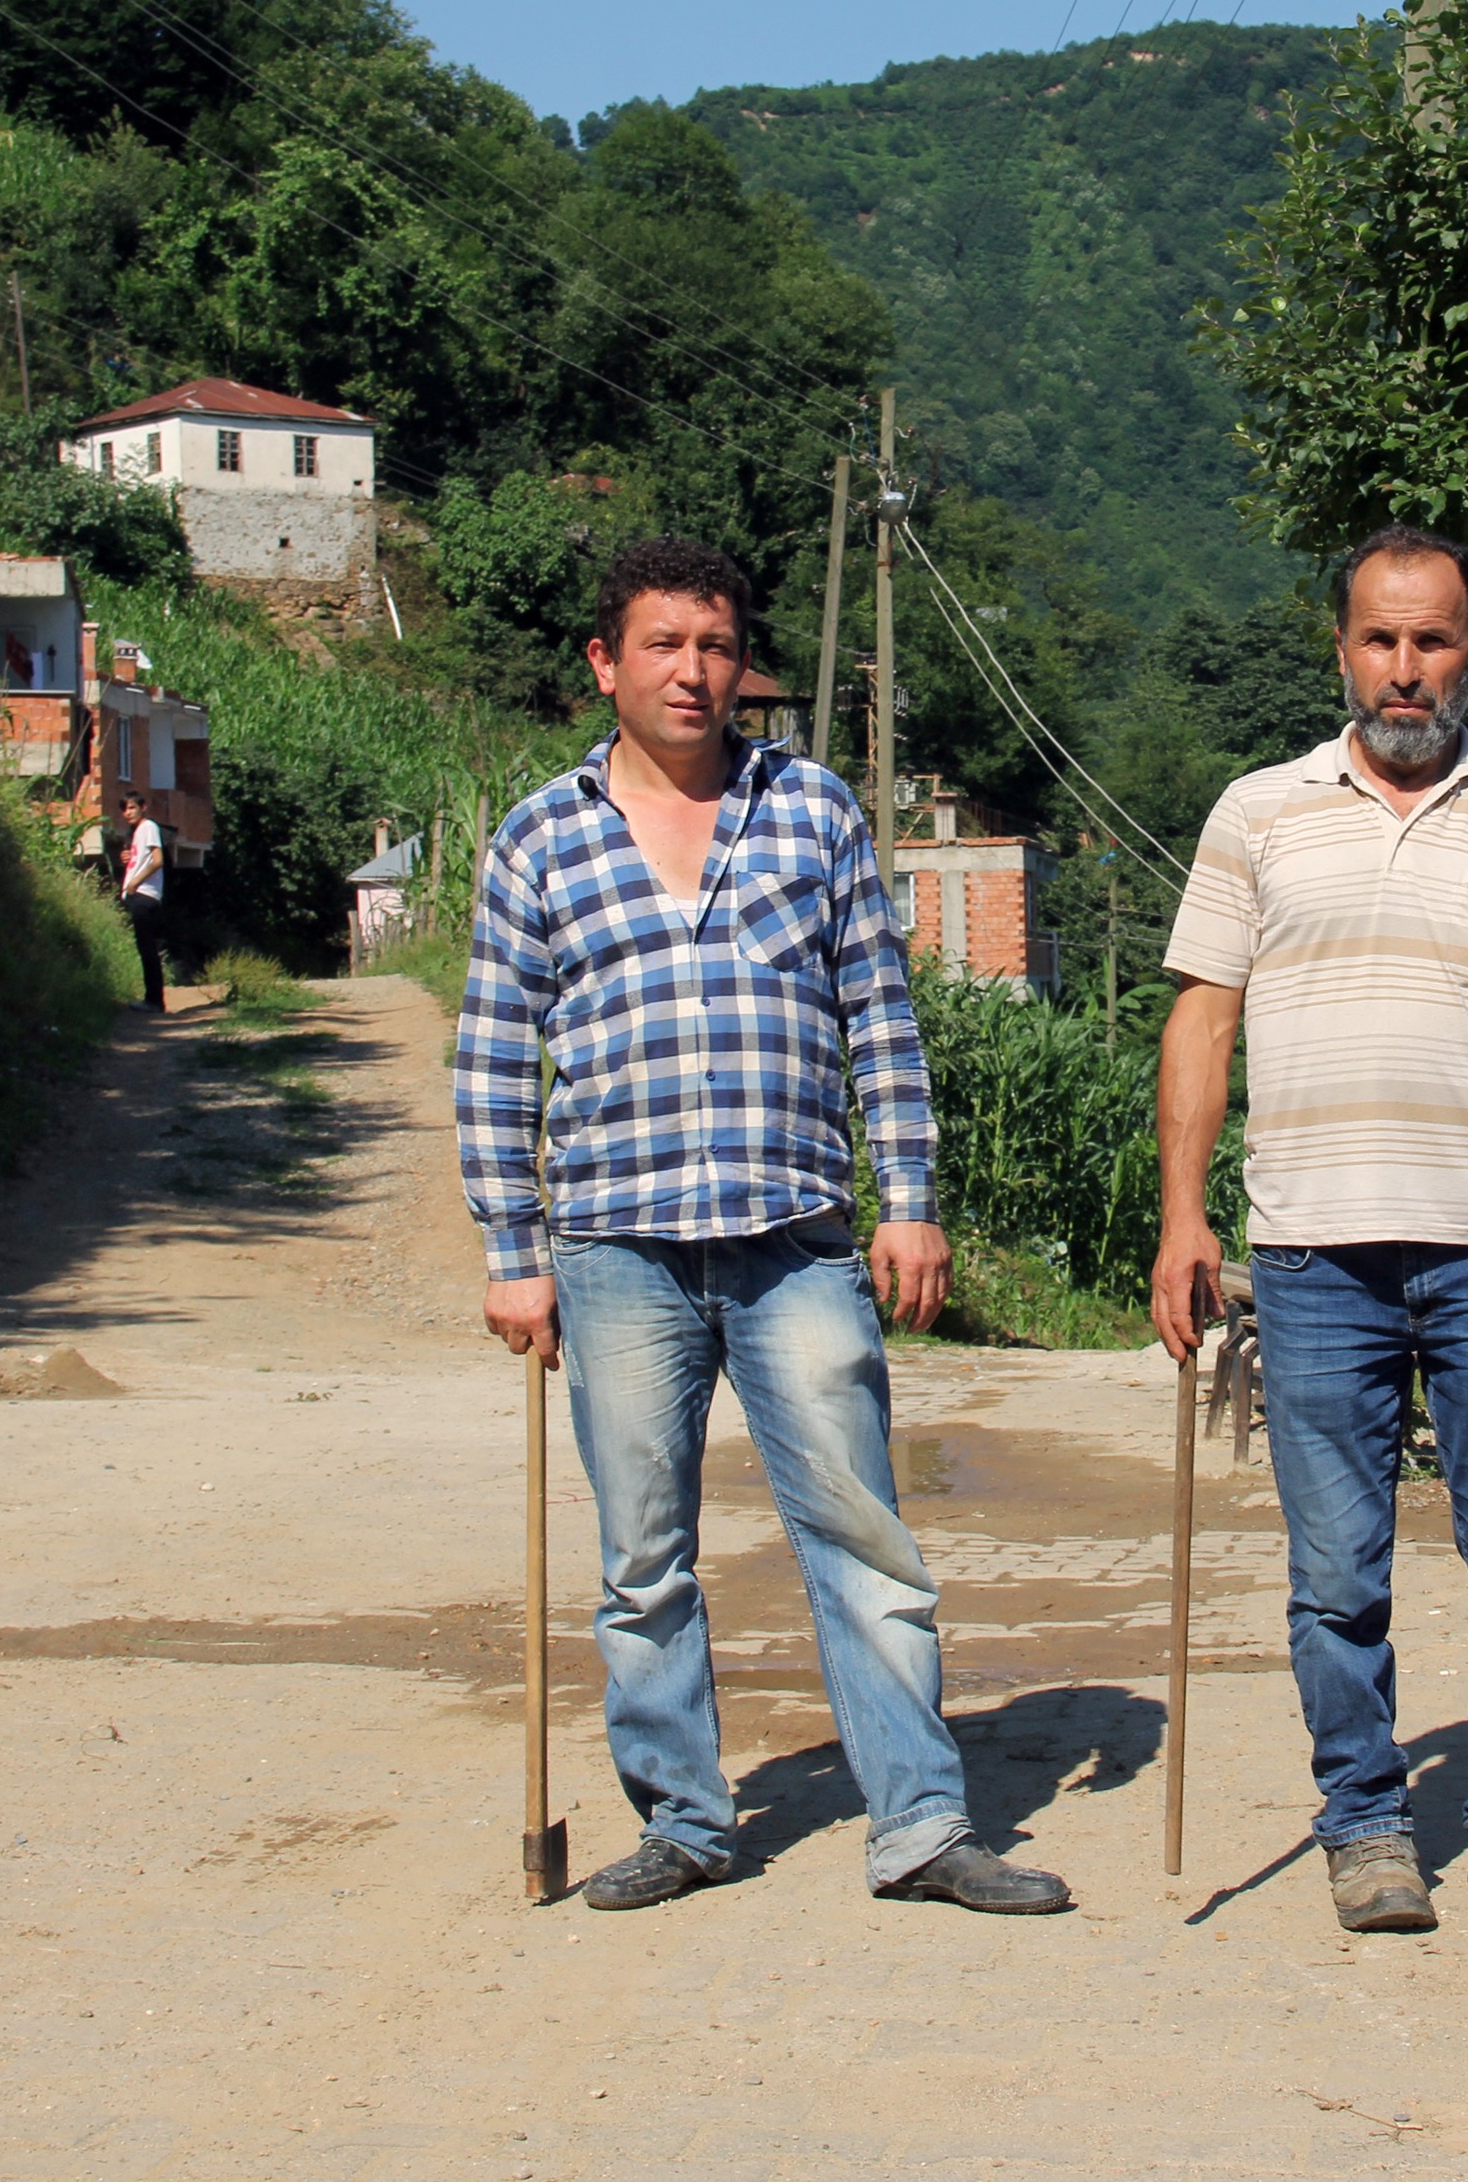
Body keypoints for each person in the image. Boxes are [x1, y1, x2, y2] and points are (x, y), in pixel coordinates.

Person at [453, 535, 1070, 1919]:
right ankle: (682, 1817)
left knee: (862, 1537)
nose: (693, 670)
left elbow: (881, 1021)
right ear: (606, 663)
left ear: (745, 665)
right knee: (641, 1556)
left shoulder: (814, 813)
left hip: (796, 1238)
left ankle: (918, 1825)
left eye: (716, 646)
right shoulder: (539, 837)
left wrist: (909, 1202)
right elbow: (496, 1052)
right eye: (664, 644)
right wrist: (512, 1250)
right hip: (614, 1247)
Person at [1150, 525, 1468, 1935]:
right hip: (1311, 1257)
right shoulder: (1257, 812)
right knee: (1336, 1575)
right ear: (1341, 648)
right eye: (1380, 639)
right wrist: (1185, 1214)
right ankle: (1365, 1821)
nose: (1405, 669)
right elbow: (1203, 1016)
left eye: (1432, 641)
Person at [117, 792, 168, 1014]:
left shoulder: (148, 827)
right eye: (125, 809)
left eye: (131, 808)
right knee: (145, 947)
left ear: (143, 807)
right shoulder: (137, 832)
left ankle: (154, 1000)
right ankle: (153, 999)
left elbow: (158, 860)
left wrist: (135, 882)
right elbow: (142, 859)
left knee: (147, 948)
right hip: (139, 895)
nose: (127, 813)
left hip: (144, 895)